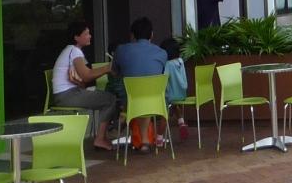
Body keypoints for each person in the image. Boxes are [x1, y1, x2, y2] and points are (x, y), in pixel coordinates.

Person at [50, 21, 117, 151]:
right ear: (76, 37)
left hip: (66, 94)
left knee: (106, 97)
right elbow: (87, 76)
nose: (90, 36)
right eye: (86, 34)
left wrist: (79, 82)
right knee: (110, 99)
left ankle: (102, 136)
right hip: (67, 96)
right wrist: (108, 67)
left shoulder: (71, 51)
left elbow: (83, 82)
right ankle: (100, 139)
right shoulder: (74, 52)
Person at [112, 17, 169, 152]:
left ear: (132, 35)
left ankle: (126, 120)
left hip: (130, 100)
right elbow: (159, 74)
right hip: (157, 102)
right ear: (152, 35)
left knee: (131, 93)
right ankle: (144, 141)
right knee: (148, 91)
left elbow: (114, 72)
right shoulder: (162, 53)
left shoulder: (121, 50)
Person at [160, 37, 190, 143]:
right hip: (182, 94)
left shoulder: (168, 64)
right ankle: (181, 122)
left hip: (171, 95)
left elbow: (164, 79)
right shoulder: (180, 61)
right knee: (175, 105)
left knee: (164, 111)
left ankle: (159, 137)